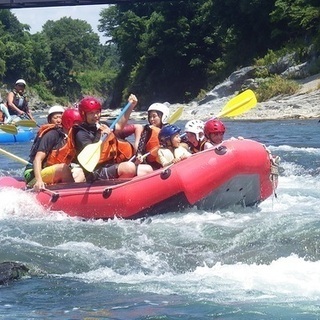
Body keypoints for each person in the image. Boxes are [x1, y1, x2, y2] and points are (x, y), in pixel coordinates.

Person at [74, 95, 153, 182]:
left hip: (109, 165)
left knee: (147, 169)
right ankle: (119, 191)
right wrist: (101, 136)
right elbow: (89, 154)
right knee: (128, 167)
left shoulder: (103, 125)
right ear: (83, 114)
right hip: (94, 171)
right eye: (91, 113)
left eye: (97, 112)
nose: (96, 115)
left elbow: (119, 125)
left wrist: (131, 106)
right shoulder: (81, 133)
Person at [24, 107, 78, 191]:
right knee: (63, 168)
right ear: (49, 120)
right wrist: (39, 180)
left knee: (79, 172)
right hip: (33, 175)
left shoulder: (70, 136)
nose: (59, 120)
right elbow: (37, 159)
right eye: (55, 118)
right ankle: (72, 195)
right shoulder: (51, 134)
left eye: (61, 117)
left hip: (53, 171)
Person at [135, 102, 170, 169]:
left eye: (154, 116)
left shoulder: (168, 129)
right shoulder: (148, 129)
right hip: (150, 162)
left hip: (165, 159)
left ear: (163, 116)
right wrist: (139, 154)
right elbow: (142, 143)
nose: (151, 119)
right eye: (150, 117)